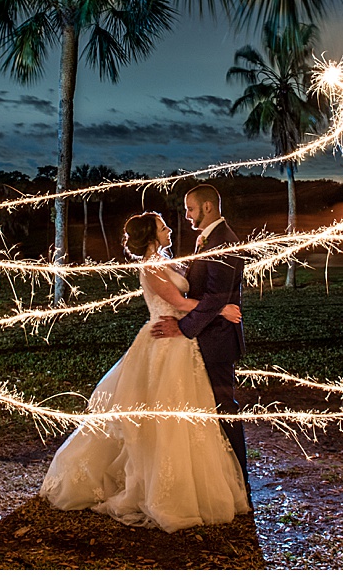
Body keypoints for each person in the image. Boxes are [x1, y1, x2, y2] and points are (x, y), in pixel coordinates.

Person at [39, 211, 250, 532]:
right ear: (151, 235)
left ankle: (183, 480)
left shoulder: (165, 259)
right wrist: (220, 308)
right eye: (163, 227)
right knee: (161, 416)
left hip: (179, 343)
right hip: (162, 345)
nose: (169, 231)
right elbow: (178, 302)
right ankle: (156, 485)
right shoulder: (151, 265)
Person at [150, 183, 250, 494]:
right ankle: (216, 476)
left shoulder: (224, 242)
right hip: (206, 335)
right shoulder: (207, 240)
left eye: (190, 208)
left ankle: (239, 482)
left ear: (207, 207)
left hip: (217, 340)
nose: (187, 214)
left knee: (224, 407)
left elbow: (213, 296)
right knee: (209, 406)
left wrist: (182, 328)